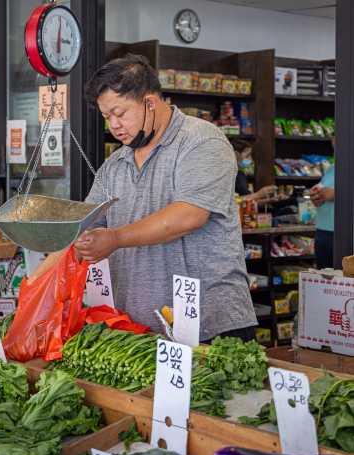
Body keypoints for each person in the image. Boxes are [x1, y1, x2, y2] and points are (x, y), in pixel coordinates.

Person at [35, 54, 257, 343]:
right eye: (106, 117)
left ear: (150, 103)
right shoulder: (116, 164)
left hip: (209, 326)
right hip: (138, 329)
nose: (113, 125)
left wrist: (114, 238)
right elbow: (80, 229)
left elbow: (189, 215)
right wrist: (32, 287)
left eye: (120, 113)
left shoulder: (201, 140)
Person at [311, 164, 335, 269]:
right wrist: (316, 196)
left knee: (346, 278)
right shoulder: (332, 168)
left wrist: (336, 194)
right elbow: (322, 192)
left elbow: (332, 193)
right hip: (323, 231)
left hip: (346, 233)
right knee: (324, 278)